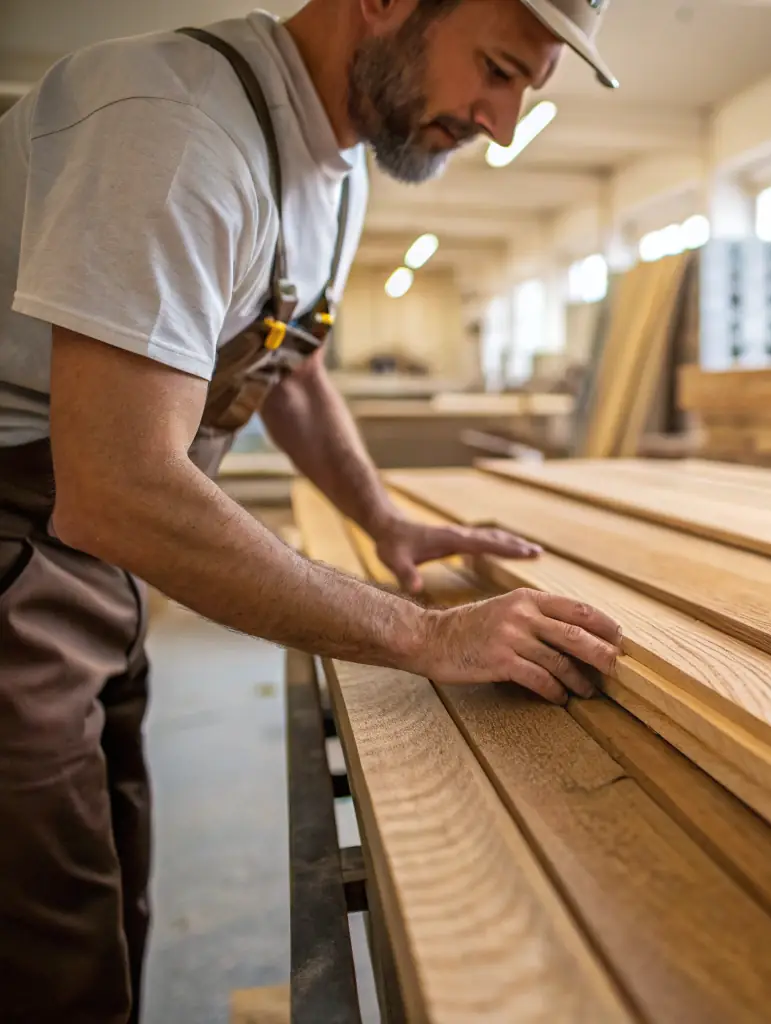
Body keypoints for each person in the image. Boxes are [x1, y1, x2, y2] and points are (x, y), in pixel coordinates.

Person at [0, 1, 621, 1019]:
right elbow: (117, 488)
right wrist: (424, 634)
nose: (503, 123)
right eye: (499, 69)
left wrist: (385, 522)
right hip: (25, 540)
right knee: (41, 941)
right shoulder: (175, 129)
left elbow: (289, 369)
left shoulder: (333, 164)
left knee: (107, 877)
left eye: (527, 92)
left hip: (83, 561)